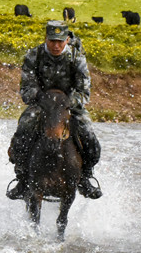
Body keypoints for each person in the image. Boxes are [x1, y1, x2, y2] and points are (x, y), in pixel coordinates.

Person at [7, 20, 103, 200]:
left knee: (88, 135)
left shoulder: (76, 58)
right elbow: (26, 89)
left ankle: (85, 177)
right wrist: (42, 98)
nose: (56, 45)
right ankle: (21, 177)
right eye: (52, 41)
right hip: (41, 104)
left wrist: (67, 102)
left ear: (67, 40)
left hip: (69, 106)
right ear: (46, 39)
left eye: (60, 41)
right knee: (23, 129)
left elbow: (84, 92)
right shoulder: (33, 55)